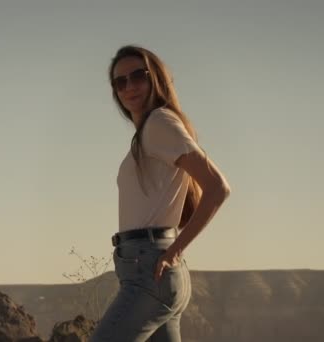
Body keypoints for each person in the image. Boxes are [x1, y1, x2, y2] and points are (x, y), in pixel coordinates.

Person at [89, 45, 231, 342]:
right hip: (151, 270)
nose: (129, 87)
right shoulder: (149, 132)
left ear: (157, 79)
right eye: (120, 82)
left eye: (138, 76)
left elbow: (218, 188)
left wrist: (175, 250)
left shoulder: (159, 123)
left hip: (149, 271)